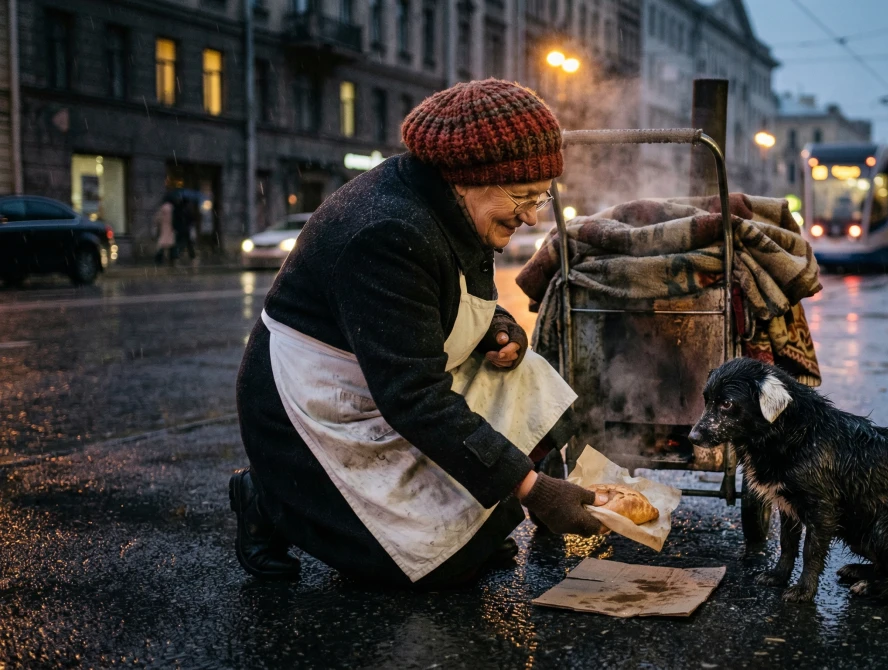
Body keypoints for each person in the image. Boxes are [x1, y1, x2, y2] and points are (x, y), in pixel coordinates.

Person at [229, 79, 608, 589]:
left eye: (539, 196)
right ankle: (271, 498)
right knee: (440, 567)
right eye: (522, 196)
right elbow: (413, 397)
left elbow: (444, 299)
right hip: (310, 407)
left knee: (532, 382)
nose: (532, 215)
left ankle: (476, 527)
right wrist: (534, 490)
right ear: (467, 179)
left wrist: (497, 327)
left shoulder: (449, 205)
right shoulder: (388, 232)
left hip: (377, 378)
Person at [172, 193, 197, 262]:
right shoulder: (187, 210)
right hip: (185, 229)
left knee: (179, 242)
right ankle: (191, 255)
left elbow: (175, 220)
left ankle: (176, 255)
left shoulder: (177, 209)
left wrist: (175, 227)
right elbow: (192, 219)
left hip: (180, 229)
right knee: (187, 243)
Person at [153, 196, 176, 266]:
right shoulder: (172, 207)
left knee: (162, 244)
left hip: (164, 227)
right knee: (170, 244)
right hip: (170, 227)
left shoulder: (163, 207)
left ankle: (159, 259)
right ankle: (171, 259)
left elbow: (158, 217)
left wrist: (157, 223)